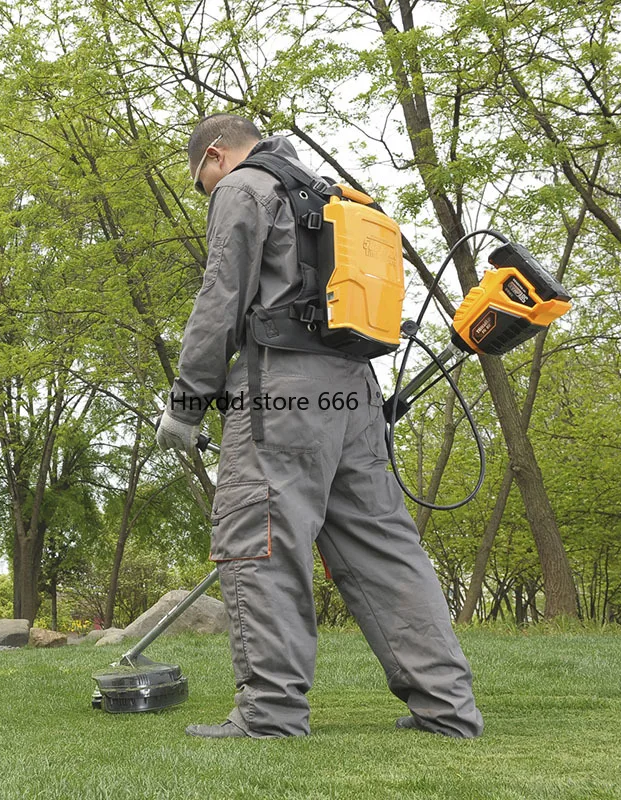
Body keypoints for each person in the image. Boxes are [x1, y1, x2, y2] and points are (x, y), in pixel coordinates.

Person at [156, 113, 484, 740]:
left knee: (262, 541)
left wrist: (188, 401)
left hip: (281, 394)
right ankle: (447, 709)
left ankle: (270, 715)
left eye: (202, 181)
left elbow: (221, 294)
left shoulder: (243, 187)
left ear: (214, 157)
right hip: (355, 392)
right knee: (386, 550)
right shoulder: (329, 192)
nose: (208, 191)